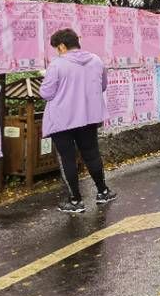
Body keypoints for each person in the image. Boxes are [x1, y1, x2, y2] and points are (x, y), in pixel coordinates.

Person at [40, 28, 116, 213]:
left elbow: (46, 93)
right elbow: (103, 86)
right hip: (89, 117)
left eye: (57, 48)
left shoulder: (57, 65)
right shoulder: (96, 61)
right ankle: (103, 192)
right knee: (92, 154)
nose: (57, 52)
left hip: (62, 120)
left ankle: (75, 201)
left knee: (68, 159)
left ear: (62, 46)